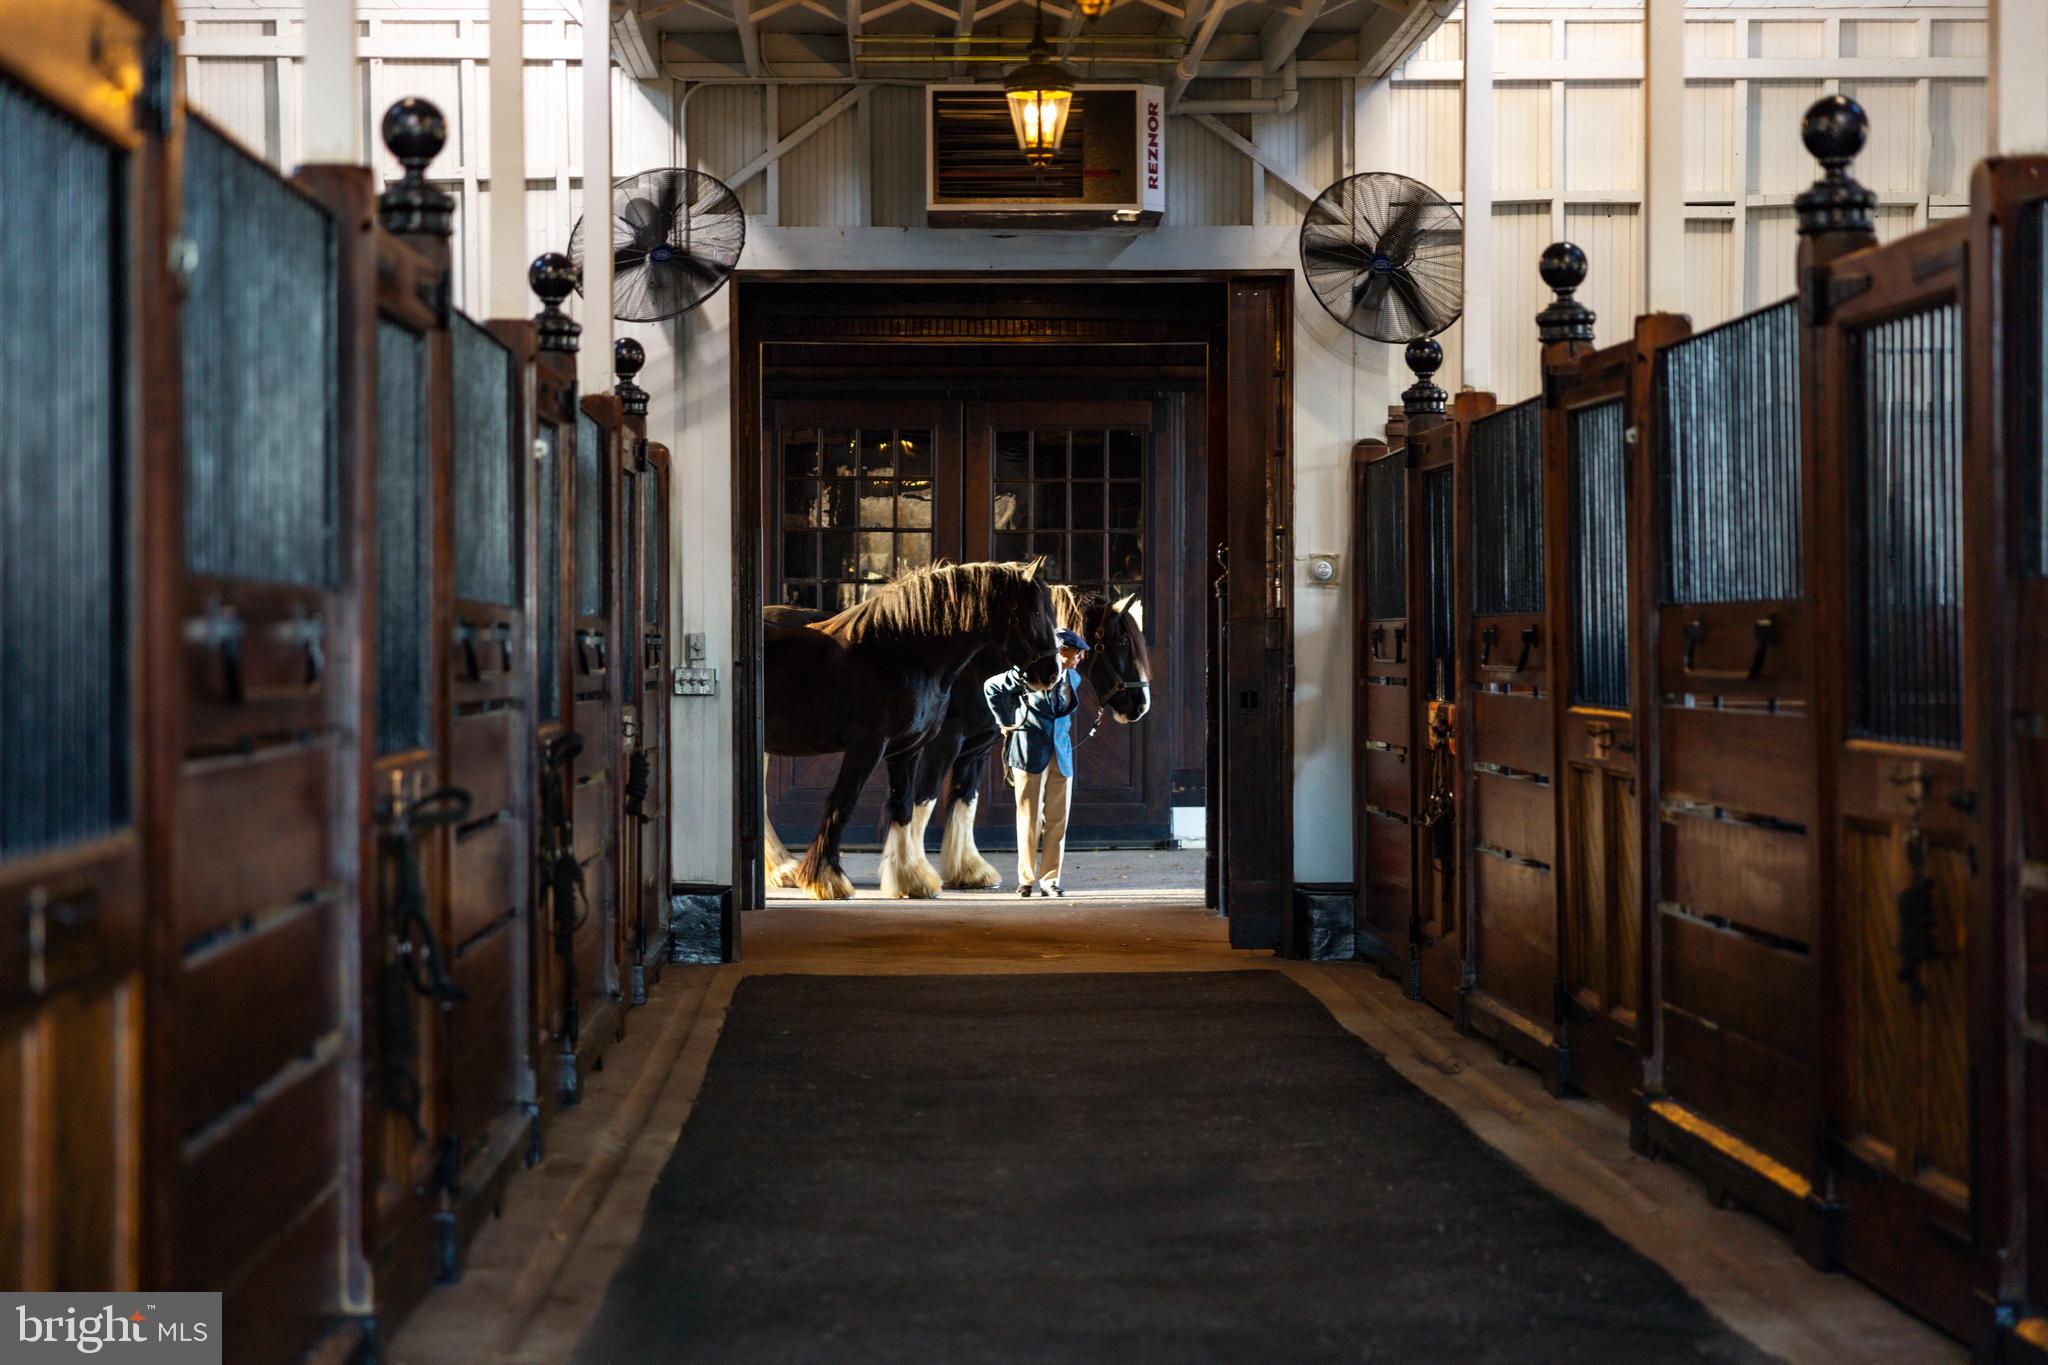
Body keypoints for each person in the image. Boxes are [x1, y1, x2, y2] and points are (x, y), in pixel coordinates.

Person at [984, 628, 1089, 897]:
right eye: (1077, 653)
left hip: (1061, 756)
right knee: (1028, 820)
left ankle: (1050, 880)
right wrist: (1004, 722)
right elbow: (991, 688)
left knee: (1057, 822)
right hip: (1029, 753)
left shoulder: (1073, 678)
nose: (1080, 658)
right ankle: (1026, 880)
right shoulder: (1028, 673)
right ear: (1063, 651)